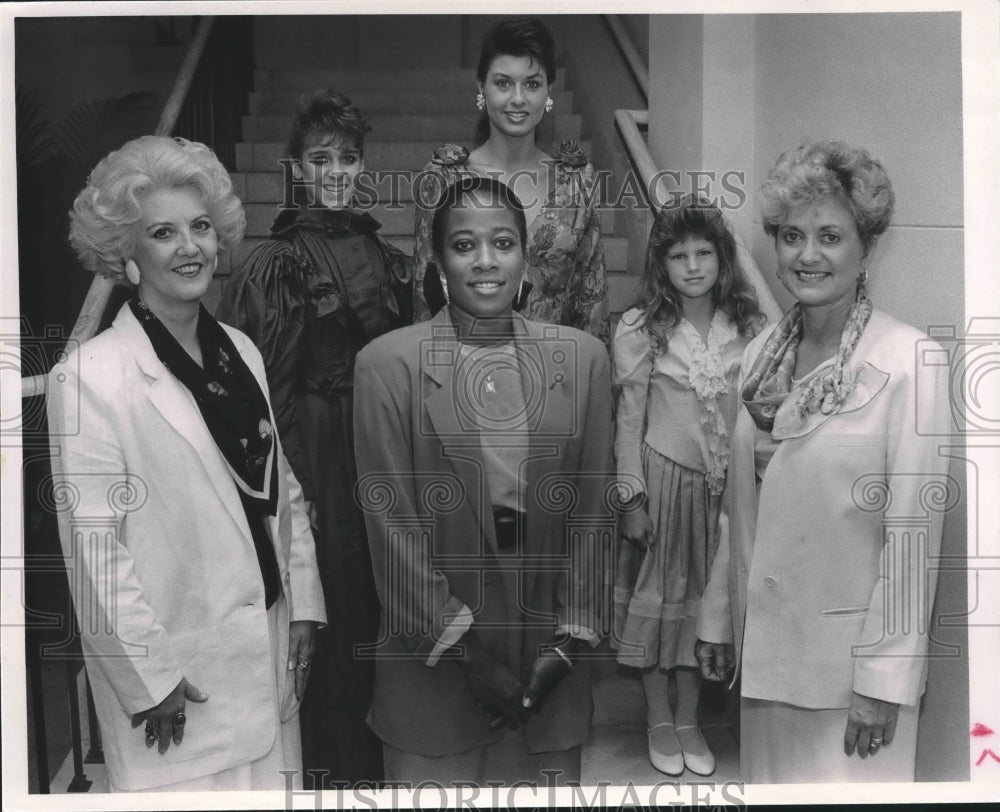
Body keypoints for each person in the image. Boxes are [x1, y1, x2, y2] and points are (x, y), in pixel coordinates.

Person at [48, 135, 326, 792]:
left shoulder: (242, 350)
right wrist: (150, 681)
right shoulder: (91, 377)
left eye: (201, 227)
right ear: (128, 254)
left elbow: (279, 489)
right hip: (179, 691)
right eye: (164, 232)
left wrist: (306, 604)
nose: (191, 247)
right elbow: (94, 552)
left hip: (265, 651)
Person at [694, 141, 951, 782]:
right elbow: (739, 509)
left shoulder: (909, 362)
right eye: (791, 236)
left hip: (849, 682)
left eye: (830, 236)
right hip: (766, 661)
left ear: (866, 246)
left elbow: (913, 540)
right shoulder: (758, 359)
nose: (807, 255)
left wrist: (884, 681)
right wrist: (718, 620)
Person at [354, 176, 613, 785]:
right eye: (464, 245)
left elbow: (594, 515)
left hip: (549, 679)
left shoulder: (583, 361)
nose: (486, 260)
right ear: (438, 261)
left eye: (503, 242)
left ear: (526, 257)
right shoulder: (387, 366)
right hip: (434, 679)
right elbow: (391, 533)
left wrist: (569, 643)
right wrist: (466, 654)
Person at [216, 89, 411, 786]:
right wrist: (296, 488)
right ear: (294, 166)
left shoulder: (385, 254)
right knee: (331, 602)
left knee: (388, 596)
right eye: (321, 158)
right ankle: (336, 774)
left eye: (349, 158)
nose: (336, 171)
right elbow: (267, 388)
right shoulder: (277, 262)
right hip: (319, 448)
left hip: (376, 438)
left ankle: (386, 763)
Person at [612, 197, 765, 777]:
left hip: (722, 493)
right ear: (661, 264)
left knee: (708, 604)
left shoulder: (748, 327)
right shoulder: (641, 328)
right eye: (679, 255)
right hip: (663, 482)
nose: (693, 265)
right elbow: (628, 418)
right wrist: (631, 498)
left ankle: (689, 717)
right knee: (663, 603)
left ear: (722, 259)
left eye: (704, 253)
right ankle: (658, 717)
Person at [411, 16, 609, 346]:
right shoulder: (444, 179)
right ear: (481, 88)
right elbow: (423, 299)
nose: (517, 99)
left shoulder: (576, 184)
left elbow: (592, 304)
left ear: (549, 90)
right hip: (463, 372)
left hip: (551, 373)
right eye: (503, 83)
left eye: (531, 84)